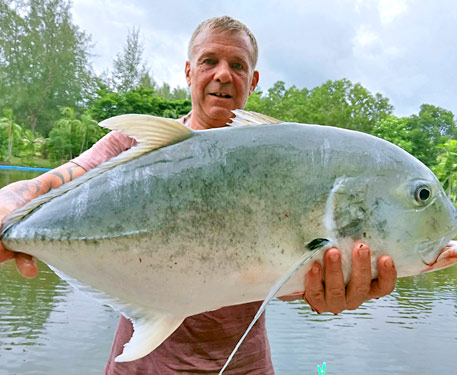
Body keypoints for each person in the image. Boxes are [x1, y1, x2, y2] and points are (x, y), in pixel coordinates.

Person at [0, 16, 397, 374]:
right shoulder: (136, 146)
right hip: (141, 368)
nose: (223, 75)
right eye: (209, 62)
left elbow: (282, 271)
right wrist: (10, 208)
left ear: (253, 80)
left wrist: (327, 288)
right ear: (189, 72)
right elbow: (57, 181)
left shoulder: (278, 159)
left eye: (238, 65)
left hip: (244, 366)